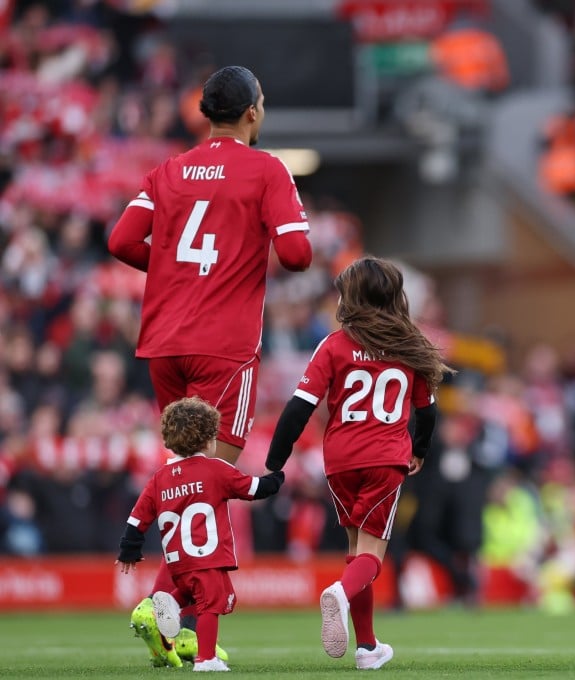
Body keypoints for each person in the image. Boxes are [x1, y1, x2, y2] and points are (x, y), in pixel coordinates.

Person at [107, 64, 312, 665]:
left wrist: (174, 273)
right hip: (222, 343)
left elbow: (121, 241)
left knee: (181, 477)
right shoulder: (267, 168)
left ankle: (174, 627)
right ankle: (164, 609)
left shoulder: (168, 170)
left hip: (163, 342)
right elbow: (298, 255)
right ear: (253, 111)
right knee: (207, 485)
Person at [263, 256, 451, 670]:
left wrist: (276, 460)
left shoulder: (334, 344)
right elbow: (428, 411)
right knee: (372, 555)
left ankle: (367, 647)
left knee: (355, 550)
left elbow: (298, 408)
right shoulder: (410, 344)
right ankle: (339, 595)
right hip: (385, 457)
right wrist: (419, 449)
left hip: (340, 460)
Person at [115, 397, 285, 672]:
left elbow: (138, 518)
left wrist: (129, 550)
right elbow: (254, 489)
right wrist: (276, 477)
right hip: (206, 558)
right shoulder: (216, 470)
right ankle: (206, 659)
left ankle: (168, 601)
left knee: (200, 595)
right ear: (208, 441)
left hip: (177, 563)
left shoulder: (160, 477)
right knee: (211, 605)